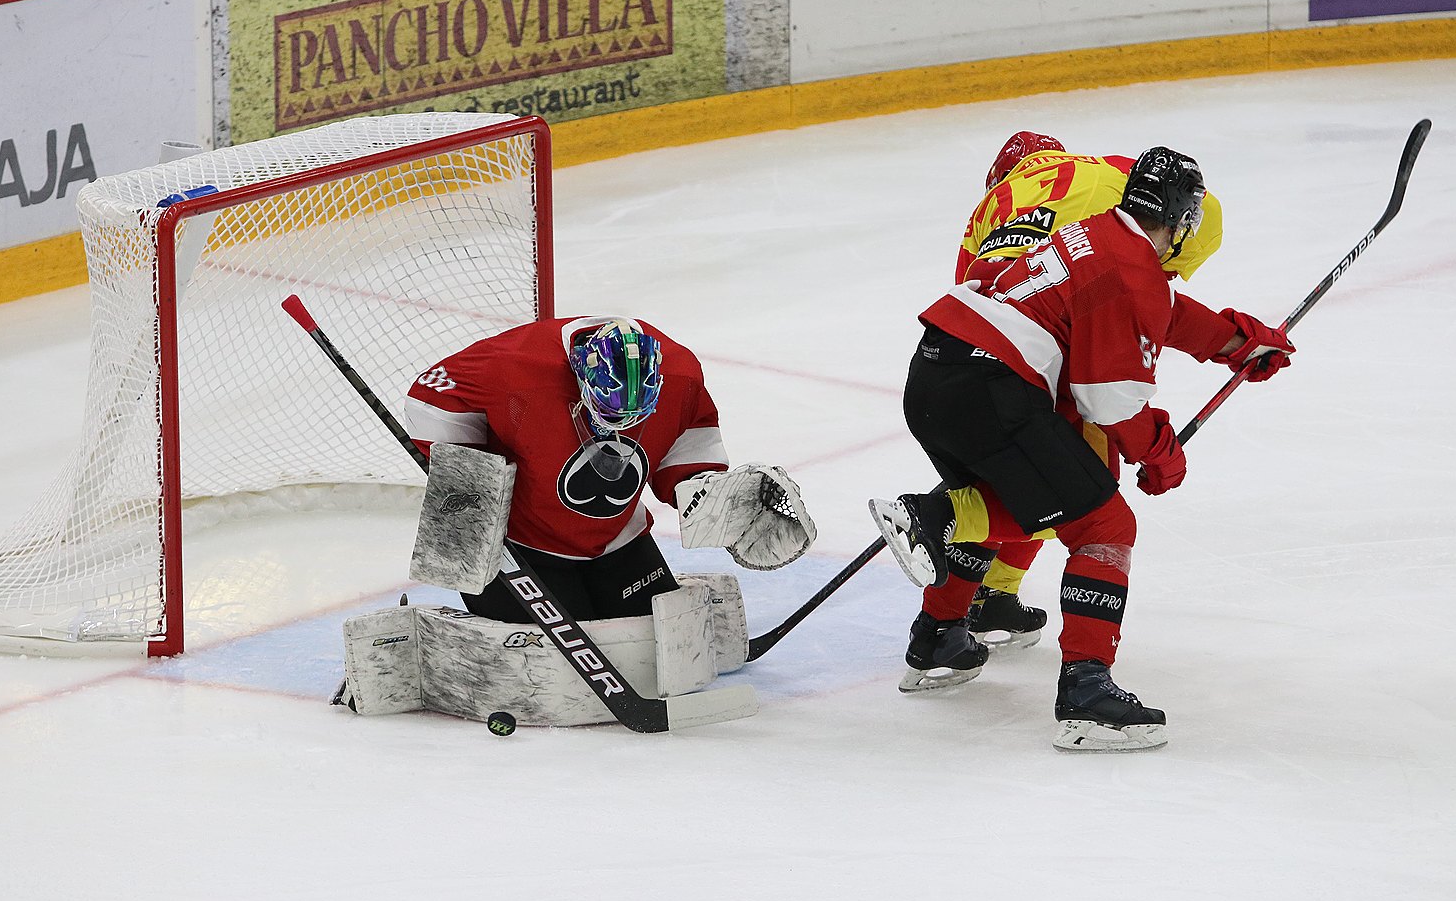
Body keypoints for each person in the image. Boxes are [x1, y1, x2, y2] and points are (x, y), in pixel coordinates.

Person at [870, 147, 1295, 751]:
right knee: (1105, 524)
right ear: (1181, 216)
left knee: (1007, 500)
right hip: (994, 389)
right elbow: (1109, 401)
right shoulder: (1132, 268)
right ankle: (1086, 693)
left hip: (936, 375)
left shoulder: (1093, 232)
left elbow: (1164, 311)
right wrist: (1157, 452)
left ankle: (939, 636)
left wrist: (1238, 342)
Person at [404, 315, 815, 625]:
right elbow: (428, 396)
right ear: (581, 376)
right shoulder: (513, 367)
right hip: (519, 545)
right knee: (564, 653)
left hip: (618, 538)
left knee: (650, 638)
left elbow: (688, 433)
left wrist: (706, 491)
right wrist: (472, 477)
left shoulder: (680, 373)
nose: (618, 428)